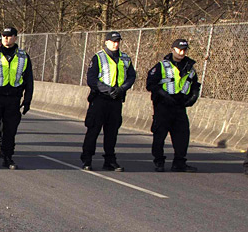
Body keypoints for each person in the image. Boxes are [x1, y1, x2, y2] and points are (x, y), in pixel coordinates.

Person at [0, 26, 34, 170]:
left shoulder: (23, 56)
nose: (6, 38)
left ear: (15, 37)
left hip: (13, 99)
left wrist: (27, 100)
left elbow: (29, 80)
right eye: (4, 36)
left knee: (10, 130)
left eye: (9, 36)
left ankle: (8, 157)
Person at [80, 31, 135, 171]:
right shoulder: (98, 57)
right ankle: (87, 158)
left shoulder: (125, 58)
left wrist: (122, 89)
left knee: (112, 132)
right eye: (113, 41)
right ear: (106, 42)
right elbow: (91, 79)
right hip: (100, 99)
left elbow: (131, 76)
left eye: (118, 41)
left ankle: (110, 160)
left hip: (116, 100)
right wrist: (107, 89)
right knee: (93, 130)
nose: (115, 44)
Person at [145, 39, 201, 172]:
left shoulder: (190, 68)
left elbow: (194, 85)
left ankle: (179, 162)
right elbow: (150, 83)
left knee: (182, 135)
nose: (181, 52)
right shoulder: (161, 66)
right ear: (172, 49)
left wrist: (193, 96)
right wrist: (162, 94)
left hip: (180, 105)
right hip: (163, 106)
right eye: (179, 49)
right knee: (159, 135)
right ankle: (159, 161)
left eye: (184, 50)